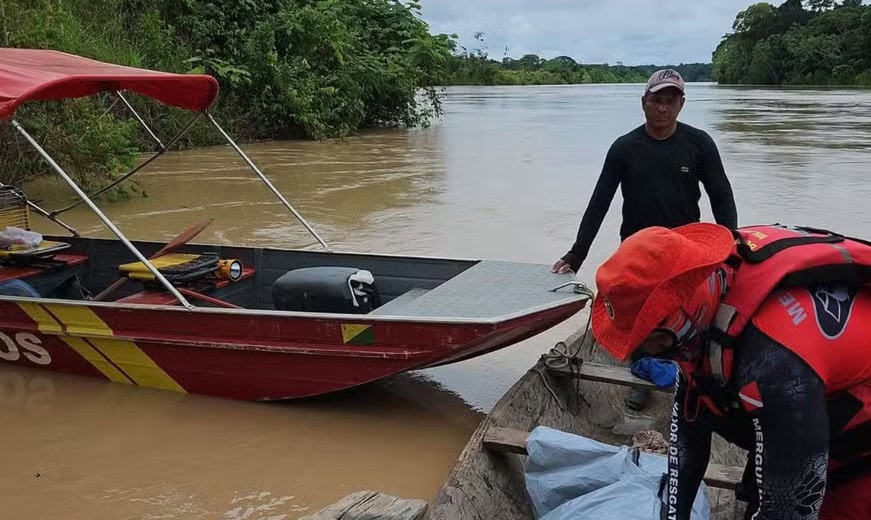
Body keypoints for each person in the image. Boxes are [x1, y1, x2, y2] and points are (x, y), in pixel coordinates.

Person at [590, 222, 871, 520]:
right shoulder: (698, 318)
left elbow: (790, 511)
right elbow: (688, 434)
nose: (654, 353)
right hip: (801, 412)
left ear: (688, 309)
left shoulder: (772, 359)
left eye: (656, 340)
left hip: (856, 435)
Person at [553, 68, 739, 411]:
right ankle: (641, 380)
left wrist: (732, 246)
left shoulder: (699, 144)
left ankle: (690, 380)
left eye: (671, 101)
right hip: (637, 255)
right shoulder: (625, 148)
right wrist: (576, 254)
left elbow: (721, 196)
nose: (663, 108)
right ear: (644, 103)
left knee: (689, 318)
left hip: (685, 251)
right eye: (657, 100)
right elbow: (599, 202)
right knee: (637, 319)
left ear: (681, 104)